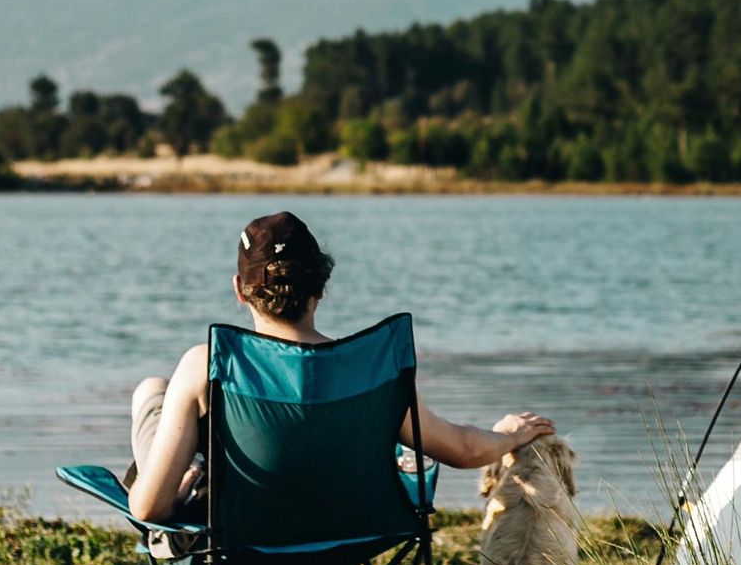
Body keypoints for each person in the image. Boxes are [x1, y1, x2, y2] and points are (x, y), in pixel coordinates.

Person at [126, 208, 555, 532]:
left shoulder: (208, 363)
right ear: (321, 288)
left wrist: (177, 491)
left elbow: (148, 512)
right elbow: (461, 448)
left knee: (153, 392)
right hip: (345, 542)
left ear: (240, 290)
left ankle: (185, 476)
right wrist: (513, 434)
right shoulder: (371, 368)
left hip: (232, 548)